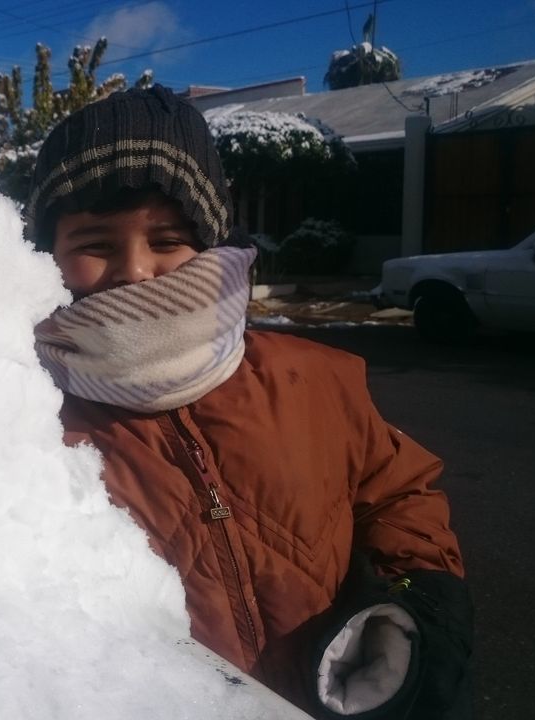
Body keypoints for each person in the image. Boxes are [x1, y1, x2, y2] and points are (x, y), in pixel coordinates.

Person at [27, 86, 473, 719]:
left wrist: (421, 601)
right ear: (48, 258)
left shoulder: (315, 379)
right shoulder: (28, 414)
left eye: (168, 238)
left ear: (210, 240)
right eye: (96, 244)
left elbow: (398, 489)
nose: (136, 271)